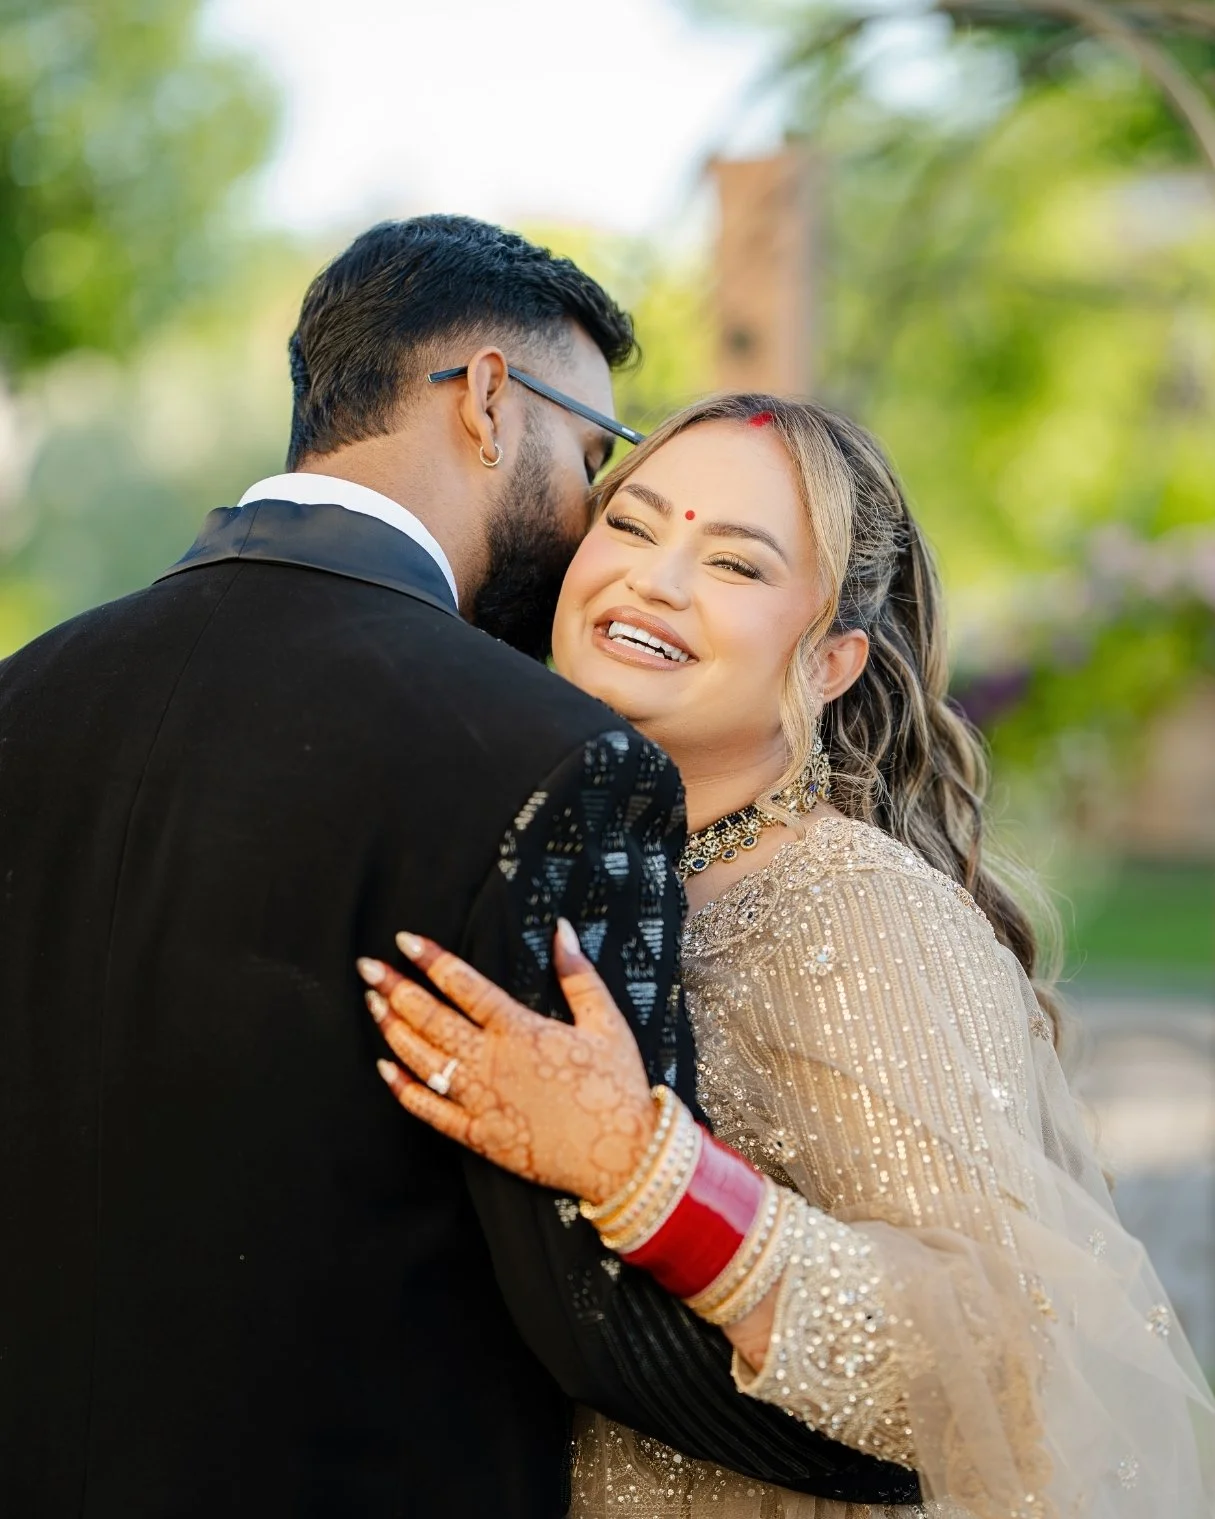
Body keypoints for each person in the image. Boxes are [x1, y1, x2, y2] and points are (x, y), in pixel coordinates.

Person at [0, 220, 916, 1517]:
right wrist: (924, 1433)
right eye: (595, 456)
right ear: (488, 396)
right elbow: (601, 1323)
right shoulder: (548, 759)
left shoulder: (24, 696)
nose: (591, 512)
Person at [357, 393, 1215, 1518]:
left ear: (831, 662)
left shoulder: (854, 912)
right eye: (634, 525)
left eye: (738, 565)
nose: (655, 580)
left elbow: (1003, 1361)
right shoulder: (570, 852)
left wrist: (641, 1171)